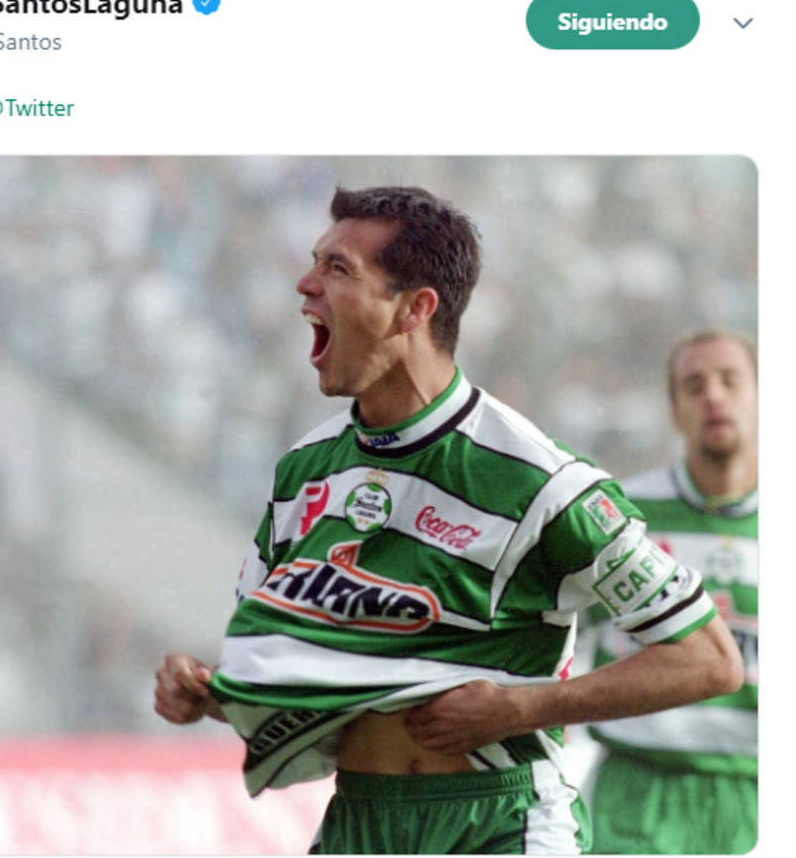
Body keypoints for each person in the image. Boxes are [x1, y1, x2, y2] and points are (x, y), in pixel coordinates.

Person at [154, 187, 743, 855]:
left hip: (501, 821)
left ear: (415, 308)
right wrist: (206, 689)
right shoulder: (303, 472)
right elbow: (282, 669)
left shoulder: (538, 479)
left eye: (337, 268)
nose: (305, 284)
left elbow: (709, 659)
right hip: (358, 822)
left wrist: (519, 709)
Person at [587, 331, 758, 854]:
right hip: (635, 791)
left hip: (758, 794)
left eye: (730, 381)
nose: (714, 396)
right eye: (694, 385)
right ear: (675, 412)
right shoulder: (622, 514)